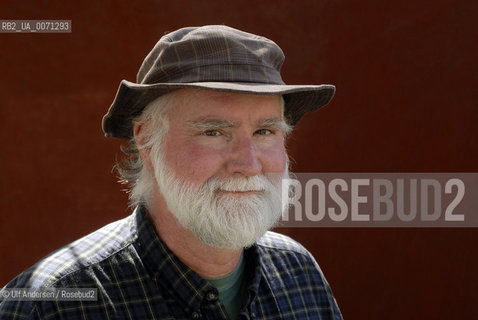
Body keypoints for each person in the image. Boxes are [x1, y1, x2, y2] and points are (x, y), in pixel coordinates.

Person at [0, 25, 342, 319]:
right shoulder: (51, 304)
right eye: (213, 132)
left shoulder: (299, 273)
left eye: (265, 132)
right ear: (147, 141)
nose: (249, 164)